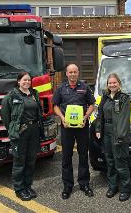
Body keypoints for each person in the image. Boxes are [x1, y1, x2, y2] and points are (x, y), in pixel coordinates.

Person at [53, 64, 96, 199]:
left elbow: (91, 105)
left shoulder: (85, 87)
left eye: (75, 72)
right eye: (70, 72)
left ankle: (84, 184)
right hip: (66, 128)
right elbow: (55, 106)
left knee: (83, 155)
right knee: (66, 157)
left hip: (82, 127)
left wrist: (85, 117)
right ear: (66, 73)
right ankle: (67, 186)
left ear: (78, 73)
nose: (72, 74)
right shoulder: (60, 88)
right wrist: (61, 118)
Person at [1, 71, 44, 201]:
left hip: (34, 130)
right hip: (21, 132)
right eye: (24, 80)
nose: (27, 82)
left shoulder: (34, 94)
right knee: (19, 162)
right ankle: (19, 189)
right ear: (18, 81)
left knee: (31, 161)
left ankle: (28, 186)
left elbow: (39, 112)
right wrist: (13, 129)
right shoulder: (11, 96)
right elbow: (5, 116)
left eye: (29, 80)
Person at [95, 73, 131, 202]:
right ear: (107, 85)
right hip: (107, 133)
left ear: (119, 84)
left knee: (120, 162)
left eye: (114, 82)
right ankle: (113, 186)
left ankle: (126, 189)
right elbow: (100, 114)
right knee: (109, 161)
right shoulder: (105, 97)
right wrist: (98, 129)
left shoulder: (124, 98)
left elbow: (123, 119)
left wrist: (120, 136)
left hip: (118, 133)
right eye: (110, 83)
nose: (112, 85)